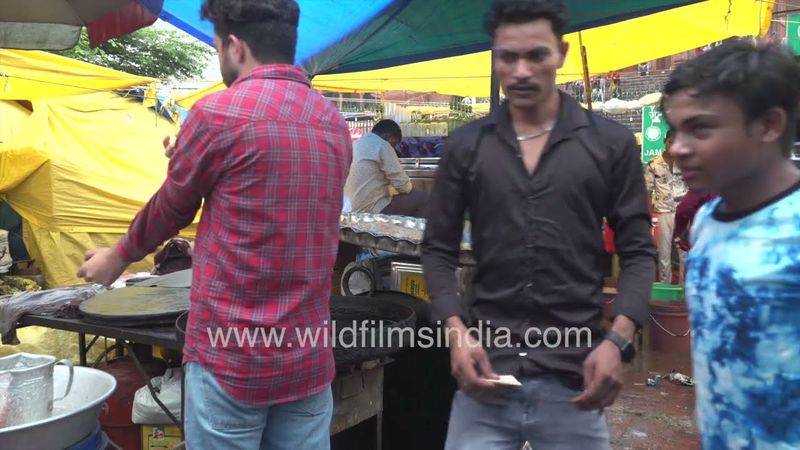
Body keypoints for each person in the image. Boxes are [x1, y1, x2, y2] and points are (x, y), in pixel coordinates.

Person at [76, 0, 352, 448]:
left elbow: (173, 206)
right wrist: (191, 156)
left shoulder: (217, 114)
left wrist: (117, 256)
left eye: (218, 47)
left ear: (235, 47)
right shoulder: (332, 123)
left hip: (233, 360)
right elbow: (268, 188)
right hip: (307, 357)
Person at [421, 1, 656, 449]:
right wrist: (456, 332)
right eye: (508, 57)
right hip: (486, 376)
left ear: (561, 53)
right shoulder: (466, 148)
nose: (522, 71)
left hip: (574, 382)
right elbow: (437, 249)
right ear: (493, 56)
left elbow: (639, 251)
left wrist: (618, 340)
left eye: (537, 55)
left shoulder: (609, 145)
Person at [663, 39, 800, 449]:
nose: (676, 149)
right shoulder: (706, 219)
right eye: (675, 130)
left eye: (700, 129)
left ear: (768, 125)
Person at [344, 119, 428, 217]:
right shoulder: (382, 145)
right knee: (423, 198)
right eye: (395, 144)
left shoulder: (357, 144)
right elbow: (403, 186)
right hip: (370, 208)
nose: (394, 148)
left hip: (350, 208)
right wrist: (412, 189)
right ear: (389, 137)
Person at [644, 130, 688, 283]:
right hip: (663, 212)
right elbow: (648, 190)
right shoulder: (653, 164)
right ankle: (665, 285)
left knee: (684, 251)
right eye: (671, 142)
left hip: (684, 212)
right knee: (663, 252)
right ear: (665, 141)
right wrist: (648, 215)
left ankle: (684, 287)